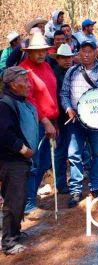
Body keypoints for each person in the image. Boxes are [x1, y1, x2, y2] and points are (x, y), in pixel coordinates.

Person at [61, 40, 98, 207]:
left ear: (95, 53)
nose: (86, 54)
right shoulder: (71, 72)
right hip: (76, 121)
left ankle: (96, 187)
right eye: (83, 51)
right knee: (74, 155)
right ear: (78, 54)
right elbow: (63, 93)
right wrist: (68, 108)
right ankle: (76, 190)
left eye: (89, 51)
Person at [18, 32, 59, 214]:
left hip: (50, 120)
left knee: (43, 162)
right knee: (33, 163)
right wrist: (45, 121)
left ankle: (31, 196)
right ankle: (28, 204)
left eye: (43, 50)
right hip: (34, 124)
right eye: (37, 51)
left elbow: (51, 93)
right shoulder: (24, 70)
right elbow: (30, 99)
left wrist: (54, 121)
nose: (41, 54)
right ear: (28, 52)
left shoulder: (47, 66)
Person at [0, 67, 38, 255]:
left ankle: (15, 232)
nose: (29, 84)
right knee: (13, 200)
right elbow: (4, 134)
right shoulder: (5, 105)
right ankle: (8, 242)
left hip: (20, 160)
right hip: (12, 161)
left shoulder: (19, 101)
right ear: (14, 85)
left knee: (20, 198)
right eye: (25, 81)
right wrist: (23, 150)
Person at [51, 44, 75, 194]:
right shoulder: (54, 74)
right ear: (58, 59)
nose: (67, 60)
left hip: (74, 116)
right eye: (64, 58)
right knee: (61, 151)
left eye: (69, 58)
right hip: (60, 117)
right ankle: (60, 183)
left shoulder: (74, 72)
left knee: (74, 149)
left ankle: (74, 179)